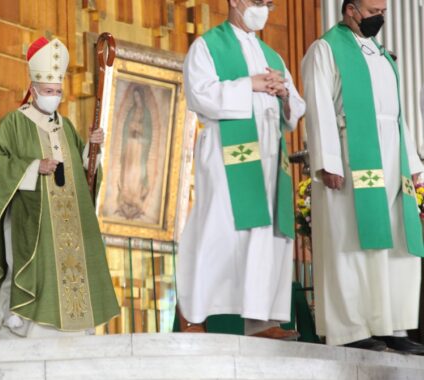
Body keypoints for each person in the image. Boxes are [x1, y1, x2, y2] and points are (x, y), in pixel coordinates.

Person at [0, 37, 120, 338]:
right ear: (33, 90)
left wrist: (91, 152)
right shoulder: (14, 123)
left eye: (58, 91)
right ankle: (24, 323)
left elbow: (83, 177)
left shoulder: (67, 126)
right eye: (48, 91)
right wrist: (34, 167)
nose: (54, 96)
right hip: (31, 218)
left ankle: (76, 328)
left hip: (69, 224)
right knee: (29, 268)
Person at [176, 0, 306, 338]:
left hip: (268, 153)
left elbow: (293, 114)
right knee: (217, 230)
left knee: (264, 237)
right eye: (257, 1)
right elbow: (199, 95)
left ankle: (261, 321)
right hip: (226, 152)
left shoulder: (271, 56)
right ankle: (192, 316)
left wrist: (283, 94)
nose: (263, 8)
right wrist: (250, 84)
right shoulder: (207, 46)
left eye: (268, 3)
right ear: (235, 1)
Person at [302, 0, 424, 353]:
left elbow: (396, 114)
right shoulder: (325, 49)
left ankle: (392, 327)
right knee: (351, 241)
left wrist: (414, 164)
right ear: (351, 9)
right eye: (374, 11)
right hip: (351, 156)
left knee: (396, 243)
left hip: (392, 160)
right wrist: (328, 160)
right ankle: (351, 328)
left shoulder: (384, 56)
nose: (381, 18)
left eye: (384, 12)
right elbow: (319, 104)